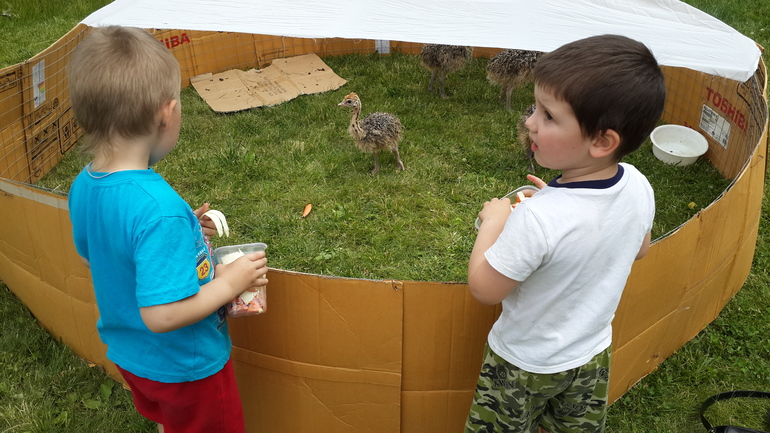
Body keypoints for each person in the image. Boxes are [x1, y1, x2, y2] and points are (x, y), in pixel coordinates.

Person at [67, 26, 268, 433]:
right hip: (185, 367)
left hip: (133, 356)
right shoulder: (160, 211)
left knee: (171, 419)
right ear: (167, 113)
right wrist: (230, 282)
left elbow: (99, 254)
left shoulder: (84, 185)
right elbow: (163, 315)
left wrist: (182, 236)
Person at [465, 34, 666, 433]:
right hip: (590, 355)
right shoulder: (638, 184)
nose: (529, 122)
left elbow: (485, 288)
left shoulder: (537, 218)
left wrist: (494, 223)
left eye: (548, 116)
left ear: (601, 141)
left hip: (523, 364)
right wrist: (557, 202)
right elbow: (639, 248)